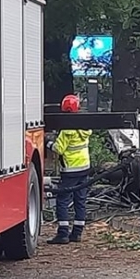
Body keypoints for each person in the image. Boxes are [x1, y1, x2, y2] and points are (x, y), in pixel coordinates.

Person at [46, 94, 93, 244]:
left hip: (70, 169)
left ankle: (63, 233)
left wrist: (47, 142)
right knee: (80, 200)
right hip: (84, 167)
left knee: (63, 200)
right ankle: (77, 233)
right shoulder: (85, 127)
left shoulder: (67, 130)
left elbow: (59, 149)